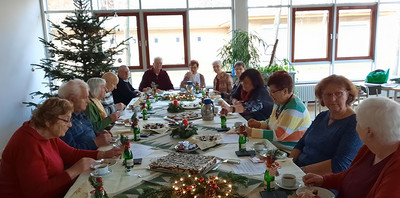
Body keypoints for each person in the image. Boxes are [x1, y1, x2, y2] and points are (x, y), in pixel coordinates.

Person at [0, 98, 121, 198]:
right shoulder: (27, 145)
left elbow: (71, 154)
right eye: (66, 120)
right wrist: (75, 170)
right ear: (48, 121)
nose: (70, 124)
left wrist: (104, 155)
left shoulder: (48, 134)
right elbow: (36, 192)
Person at [303, 97, 400, 198]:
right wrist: (324, 180)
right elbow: (351, 177)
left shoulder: (396, 173)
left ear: (369, 131)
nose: (355, 125)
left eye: (358, 122)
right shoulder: (370, 148)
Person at [289, 75, 363, 176]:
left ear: (348, 94)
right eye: (328, 94)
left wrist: (300, 171)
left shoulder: (354, 124)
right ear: (322, 97)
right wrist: (288, 164)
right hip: (300, 171)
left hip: (323, 180)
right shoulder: (322, 116)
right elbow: (301, 144)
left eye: (338, 94)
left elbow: (340, 165)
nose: (333, 99)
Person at [246, 71, 311, 145]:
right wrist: (258, 124)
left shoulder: (294, 109)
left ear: (285, 91)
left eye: (273, 91)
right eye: (269, 91)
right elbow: (270, 122)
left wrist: (251, 132)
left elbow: (278, 135)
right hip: (275, 147)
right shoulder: (279, 103)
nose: (270, 95)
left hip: (287, 152)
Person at [59, 79, 112, 150]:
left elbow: (89, 131)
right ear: (71, 100)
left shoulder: (80, 113)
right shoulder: (62, 122)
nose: (88, 101)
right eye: (85, 98)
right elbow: (70, 152)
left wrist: (98, 134)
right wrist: (96, 142)